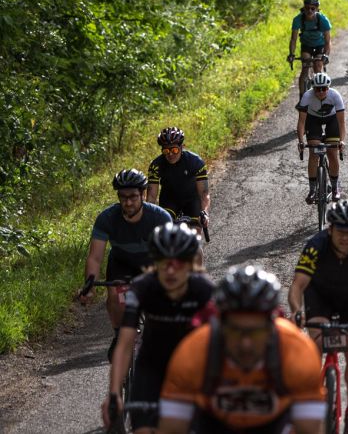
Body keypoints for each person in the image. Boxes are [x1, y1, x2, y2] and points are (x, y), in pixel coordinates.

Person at [158, 265, 325, 434]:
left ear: (271, 328)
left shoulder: (297, 351)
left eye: (255, 332)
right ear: (220, 325)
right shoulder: (193, 352)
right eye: (235, 331)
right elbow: (172, 429)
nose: (246, 343)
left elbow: (310, 429)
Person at [102, 223, 212, 434]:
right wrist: (114, 392)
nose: (170, 270)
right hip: (151, 367)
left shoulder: (203, 289)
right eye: (163, 262)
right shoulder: (143, 287)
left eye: (178, 263)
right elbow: (125, 344)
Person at [288, 201, 348, 434]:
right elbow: (298, 285)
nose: (345, 237)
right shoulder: (315, 245)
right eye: (340, 232)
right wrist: (296, 312)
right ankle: (309, 404)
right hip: (320, 297)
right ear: (330, 229)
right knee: (314, 348)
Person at [80, 169, 172, 362]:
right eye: (123, 197)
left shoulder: (160, 217)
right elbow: (95, 257)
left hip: (151, 262)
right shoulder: (107, 218)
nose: (128, 202)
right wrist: (89, 284)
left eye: (132, 197)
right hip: (122, 263)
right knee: (114, 294)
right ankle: (118, 334)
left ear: (143, 194)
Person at [146, 127, 210, 235]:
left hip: (192, 200)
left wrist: (204, 212)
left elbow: (204, 193)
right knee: (166, 233)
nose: (170, 154)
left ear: (182, 147)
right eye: (166, 150)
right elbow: (151, 196)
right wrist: (147, 217)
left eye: (174, 150)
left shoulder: (196, 162)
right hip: (169, 200)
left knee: (194, 236)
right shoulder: (156, 165)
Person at [296, 71, 346, 203]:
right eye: (318, 89)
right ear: (313, 88)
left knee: (332, 153)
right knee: (314, 152)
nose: (321, 91)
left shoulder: (335, 96)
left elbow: (341, 122)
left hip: (332, 120)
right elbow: (301, 122)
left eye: (324, 88)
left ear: (328, 88)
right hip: (313, 120)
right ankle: (312, 190)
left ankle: (335, 188)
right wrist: (301, 141)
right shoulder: (307, 96)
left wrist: (342, 141)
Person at [288, 0, 332, 75]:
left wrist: (326, 55)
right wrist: (291, 54)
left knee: (318, 66)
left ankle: (318, 86)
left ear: (317, 9)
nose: (310, 11)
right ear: (304, 8)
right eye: (307, 8)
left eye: (313, 8)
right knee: (305, 69)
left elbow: (327, 41)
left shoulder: (323, 20)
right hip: (306, 44)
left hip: (320, 45)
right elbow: (293, 39)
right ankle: (304, 85)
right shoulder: (298, 19)